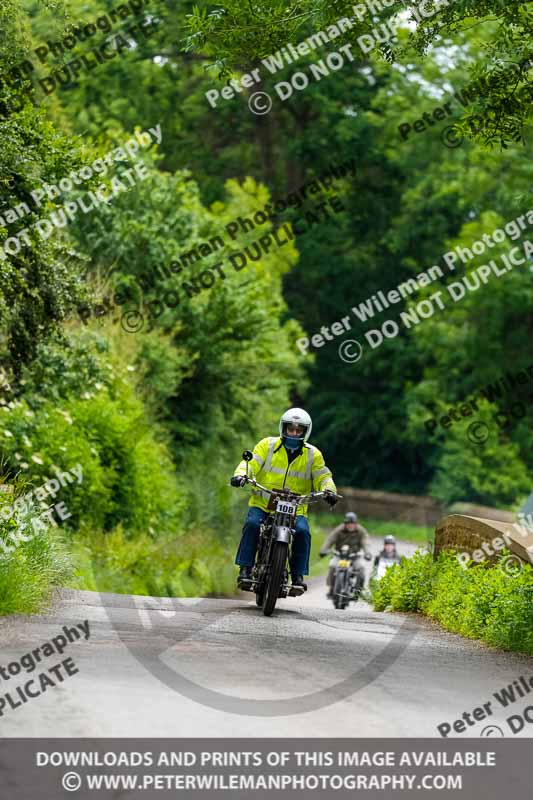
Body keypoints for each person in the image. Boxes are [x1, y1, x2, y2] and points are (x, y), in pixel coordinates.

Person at [230, 407, 337, 589]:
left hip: (296, 508)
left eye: (298, 430)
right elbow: (251, 463)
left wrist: (329, 490)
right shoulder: (267, 445)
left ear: (305, 431)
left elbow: (323, 476)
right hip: (263, 503)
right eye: (291, 429)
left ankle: (297, 576)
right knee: (253, 525)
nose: (294, 433)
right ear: (284, 428)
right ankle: (245, 569)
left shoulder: (314, 454)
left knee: (303, 532)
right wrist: (241, 475)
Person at [319, 512, 372, 598]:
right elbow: (330, 540)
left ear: (356, 524)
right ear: (345, 524)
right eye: (348, 524)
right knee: (332, 566)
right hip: (339, 555)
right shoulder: (339, 530)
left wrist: (367, 553)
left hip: (355, 556)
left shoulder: (361, 531)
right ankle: (332, 588)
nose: (350, 526)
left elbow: (365, 543)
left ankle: (358, 591)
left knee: (361, 569)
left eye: (352, 524)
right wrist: (324, 550)